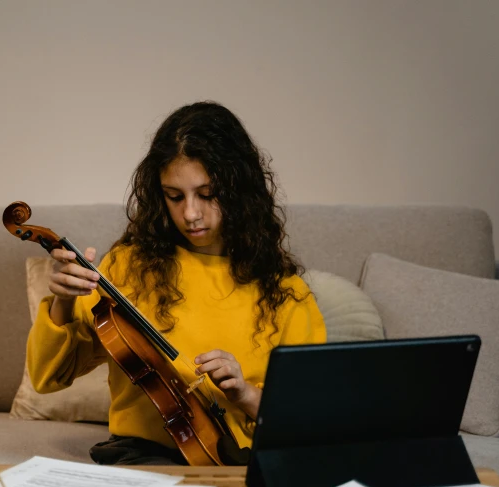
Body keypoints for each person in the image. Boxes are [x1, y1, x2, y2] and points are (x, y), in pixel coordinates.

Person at [26, 101, 326, 465]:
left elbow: (308, 422)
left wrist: (245, 393)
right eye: (174, 196)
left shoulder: (286, 293)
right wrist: (62, 302)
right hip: (145, 454)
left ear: (239, 190)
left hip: (240, 458)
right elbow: (48, 378)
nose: (190, 214)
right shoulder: (128, 267)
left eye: (207, 193)